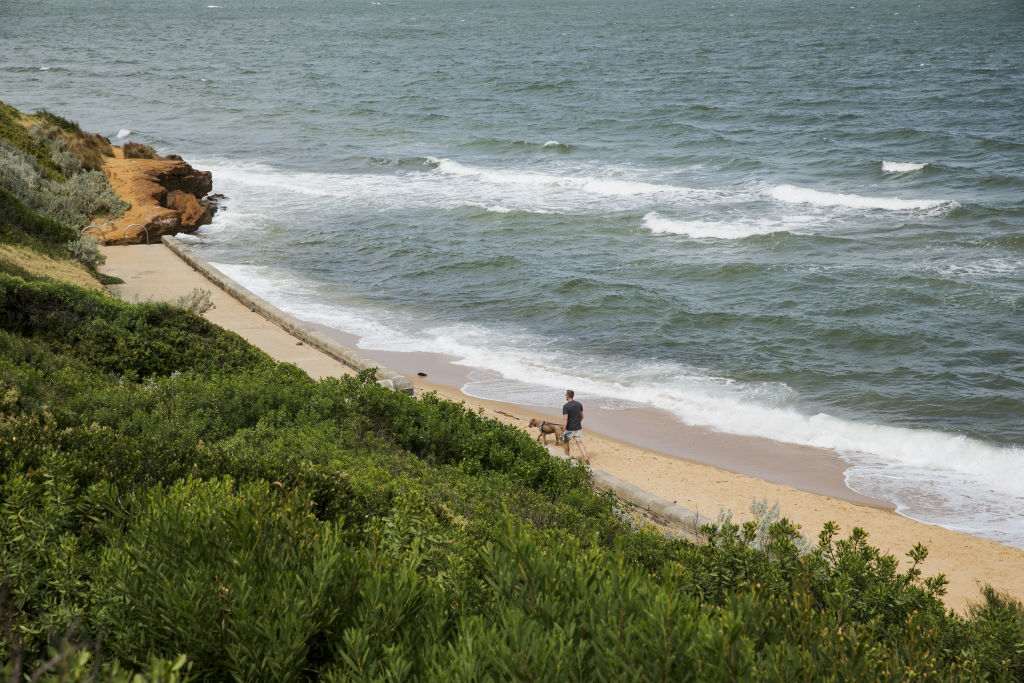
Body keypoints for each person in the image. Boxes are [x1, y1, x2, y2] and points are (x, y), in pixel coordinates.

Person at [561, 389, 588, 463]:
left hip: (569, 429)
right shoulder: (579, 404)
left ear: (568, 396)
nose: (565, 396)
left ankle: (567, 457)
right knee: (579, 442)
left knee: (566, 442)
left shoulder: (566, 406)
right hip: (578, 428)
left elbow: (565, 419)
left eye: (566, 395)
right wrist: (578, 422)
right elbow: (582, 416)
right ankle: (585, 457)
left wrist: (564, 429)